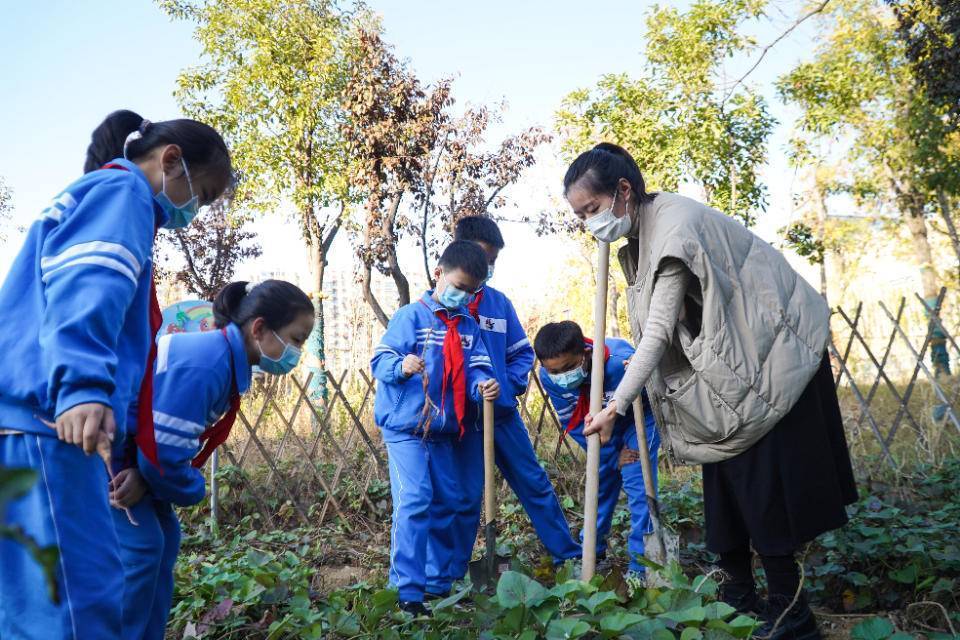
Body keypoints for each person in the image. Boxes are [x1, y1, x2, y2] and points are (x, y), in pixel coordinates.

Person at [569, 142, 857, 639]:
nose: (587, 224)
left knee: (763, 494)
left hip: (773, 361)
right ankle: (738, 600)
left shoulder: (675, 227)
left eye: (591, 210)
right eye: (579, 216)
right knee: (724, 489)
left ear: (623, 191)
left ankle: (793, 617)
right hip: (730, 378)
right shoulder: (639, 235)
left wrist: (616, 405)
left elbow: (657, 332)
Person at [0, 109, 231, 639]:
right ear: (171, 160)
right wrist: (82, 385)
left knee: (32, 606)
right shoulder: (121, 193)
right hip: (45, 423)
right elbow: (89, 283)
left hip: (25, 423)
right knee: (77, 602)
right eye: (205, 194)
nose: (197, 210)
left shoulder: (95, 194)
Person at [108, 280, 313, 640]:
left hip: (137, 458)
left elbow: (163, 449)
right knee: (141, 551)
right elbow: (164, 453)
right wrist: (192, 487)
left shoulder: (224, 360)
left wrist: (152, 472)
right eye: (295, 339)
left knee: (165, 541)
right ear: (260, 328)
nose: (298, 351)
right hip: (110, 453)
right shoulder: (208, 363)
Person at [441, 216, 579, 588]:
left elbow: (521, 354)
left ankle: (569, 555)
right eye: (485, 259)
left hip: (502, 418)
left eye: (494, 263)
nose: (488, 269)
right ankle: (455, 573)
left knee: (534, 483)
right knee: (466, 498)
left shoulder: (499, 304)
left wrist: (510, 384)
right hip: (463, 424)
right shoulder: (444, 304)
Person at [371, 240, 501, 616]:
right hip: (406, 430)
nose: (462, 295)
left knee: (448, 502)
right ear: (439, 275)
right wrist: (401, 366)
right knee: (414, 500)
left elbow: (477, 366)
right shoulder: (410, 317)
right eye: (458, 286)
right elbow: (380, 359)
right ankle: (406, 590)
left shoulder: (467, 325)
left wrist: (484, 384)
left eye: (471, 291)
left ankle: (436, 582)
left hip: (443, 431)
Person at [534, 321, 659, 577]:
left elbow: (654, 390)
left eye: (568, 368)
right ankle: (592, 548)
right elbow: (574, 422)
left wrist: (624, 451)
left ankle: (641, 566)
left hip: (637, 418)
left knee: (639, 486)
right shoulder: (550, 379)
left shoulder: (618, 363)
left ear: (586, 354)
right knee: (600, 480)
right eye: (554, 371)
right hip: (596, 427)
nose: (562, 376)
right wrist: (612, 456)